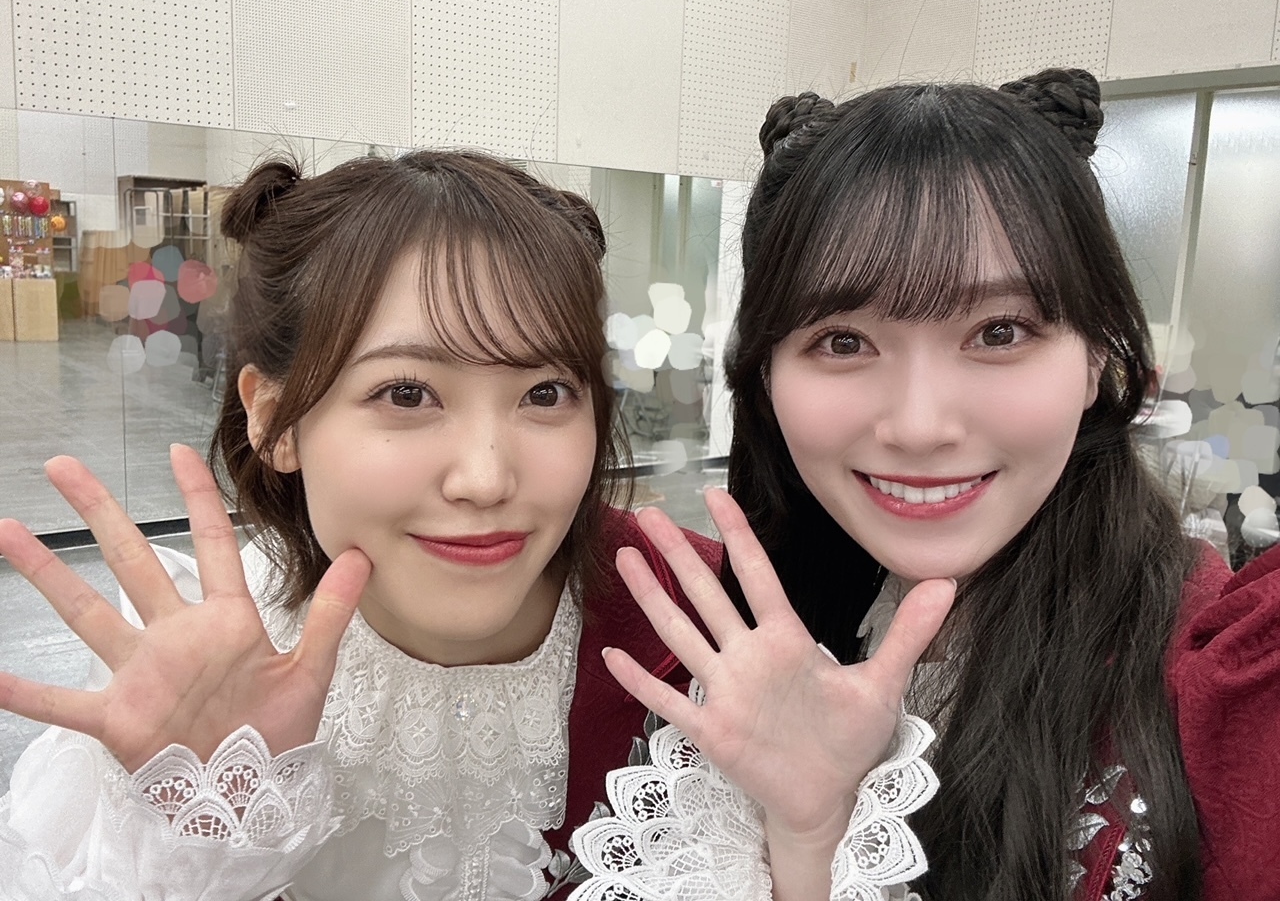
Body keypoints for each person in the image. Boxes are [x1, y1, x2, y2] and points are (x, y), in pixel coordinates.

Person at [0, 149, 945, 901]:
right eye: (407, 393)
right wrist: (205, 834)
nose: (488, 479)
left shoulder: (711, 643)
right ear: (274, 417)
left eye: (544, 393)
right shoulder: (193, 675)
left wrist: (810, 839)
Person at [589, 70, 1280, 901]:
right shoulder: (776, 623)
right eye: (844, 341)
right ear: (766, 375)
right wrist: (811, 834)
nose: (918, 427)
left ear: (1098, 354)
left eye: (999, 331)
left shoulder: (1228, 682)